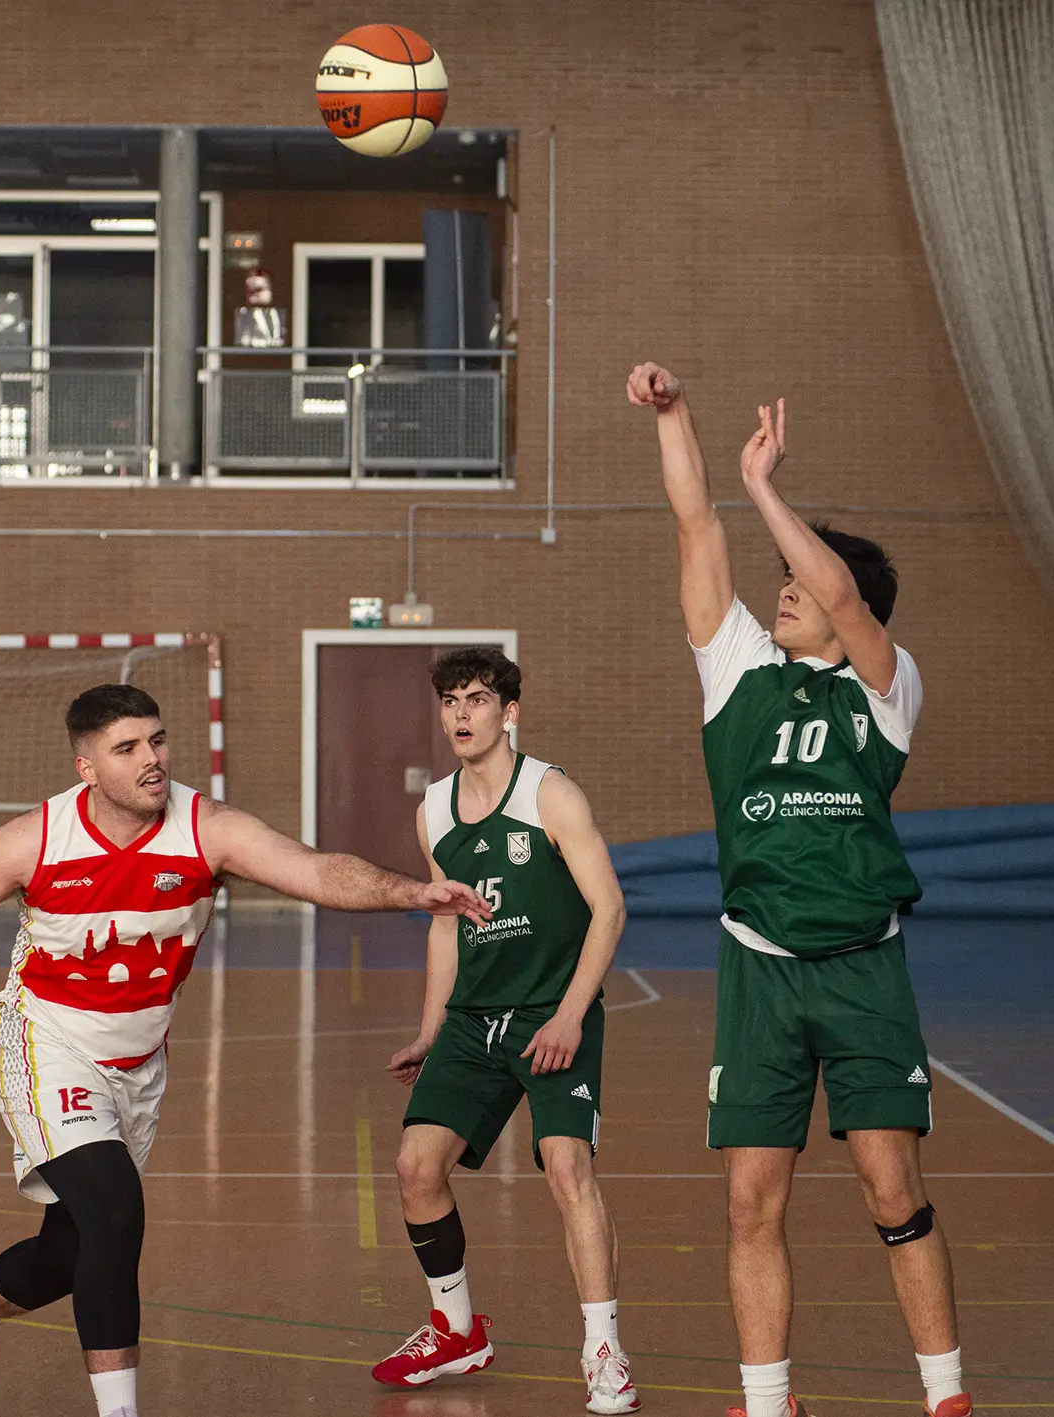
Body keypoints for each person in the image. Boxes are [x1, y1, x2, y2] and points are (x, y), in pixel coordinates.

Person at [0, 683, 489, 1417]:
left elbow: (316, 869)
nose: (151, 759)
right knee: (114, 1213)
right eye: (128, 748)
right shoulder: (36, 840)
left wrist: (409, 892)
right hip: (43, 1040)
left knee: (69, 1253)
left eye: (157, 740)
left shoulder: (207, 829)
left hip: (136, 1065)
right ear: (87, 768)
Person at [629, 363, 968, 1417]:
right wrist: (676, 417)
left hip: (863, 967)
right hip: (760, 969)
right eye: (778, 576)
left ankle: (945, 1395)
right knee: (748, 1202)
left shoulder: (886, 685)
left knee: (891, 1188)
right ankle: (767, 1400)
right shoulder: (737, 670)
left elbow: (844, 597)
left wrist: (766, 490)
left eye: (797, 580)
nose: (781, 589)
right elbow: (695, 531)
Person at [374, 648, 638, 1412]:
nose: (461, 714)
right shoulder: (433, 810)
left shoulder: (549, 792)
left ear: (509, 711)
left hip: (552, 1008)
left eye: (478, 698)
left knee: (566, 1167)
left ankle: (604, 1352)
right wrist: (429, 1031)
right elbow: (445, 926)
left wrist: (568, 1014)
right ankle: (456, 1330)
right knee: (416, 1166)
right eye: (450, 700)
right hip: (472, 1020)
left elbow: (609, 907)